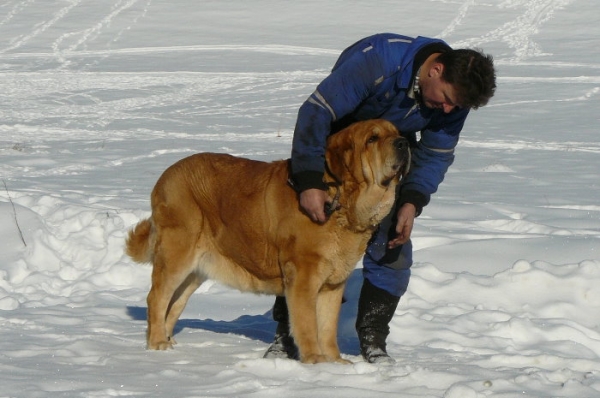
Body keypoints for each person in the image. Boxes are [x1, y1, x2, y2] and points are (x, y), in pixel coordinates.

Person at [264, 33, 496, 364]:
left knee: (393, 246)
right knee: (306, 246)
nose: (448, 109)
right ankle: (286, 334)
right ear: (436, 70)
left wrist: (412, 201)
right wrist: (309, 180)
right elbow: (316, 112)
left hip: (385, 160)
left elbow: (435, 153)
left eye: (456, 106)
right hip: (337, 151)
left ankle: (373, 338)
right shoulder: (378, 61)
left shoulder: (453, 97)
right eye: (446, 99)